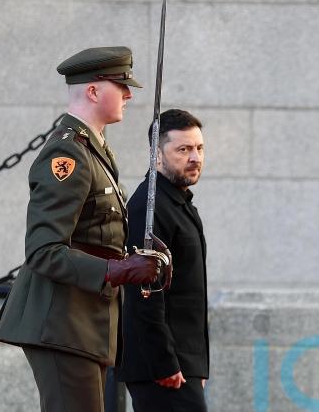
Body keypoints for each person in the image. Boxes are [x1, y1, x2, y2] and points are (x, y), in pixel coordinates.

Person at [0, 46, 171, 412]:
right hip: (61, 323)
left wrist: (137, 256)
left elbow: (93, 234)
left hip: (81, 322)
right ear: (93, 91)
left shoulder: (94, 149)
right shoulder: (68, 154)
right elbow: (43, 251)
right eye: (121, 86)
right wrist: (116, 270)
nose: (129, 95)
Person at [116, 109, 209, 412]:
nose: (195, 157)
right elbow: (144, 294)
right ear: (156, 156)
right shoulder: (150, 207)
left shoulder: (178, 203)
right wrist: (164, 363)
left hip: (181, 363)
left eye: (199, 148)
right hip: (161, 368)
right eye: (183, 149)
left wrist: (196, 366)